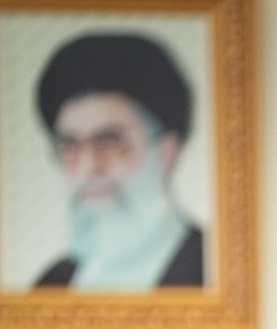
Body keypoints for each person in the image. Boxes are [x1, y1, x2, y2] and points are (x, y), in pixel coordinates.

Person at [32, 33, 205, 288]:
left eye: (109, 143)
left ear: (165, 152)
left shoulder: (211, 268)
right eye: (71, 146)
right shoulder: (54, 282)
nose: (88, 167)